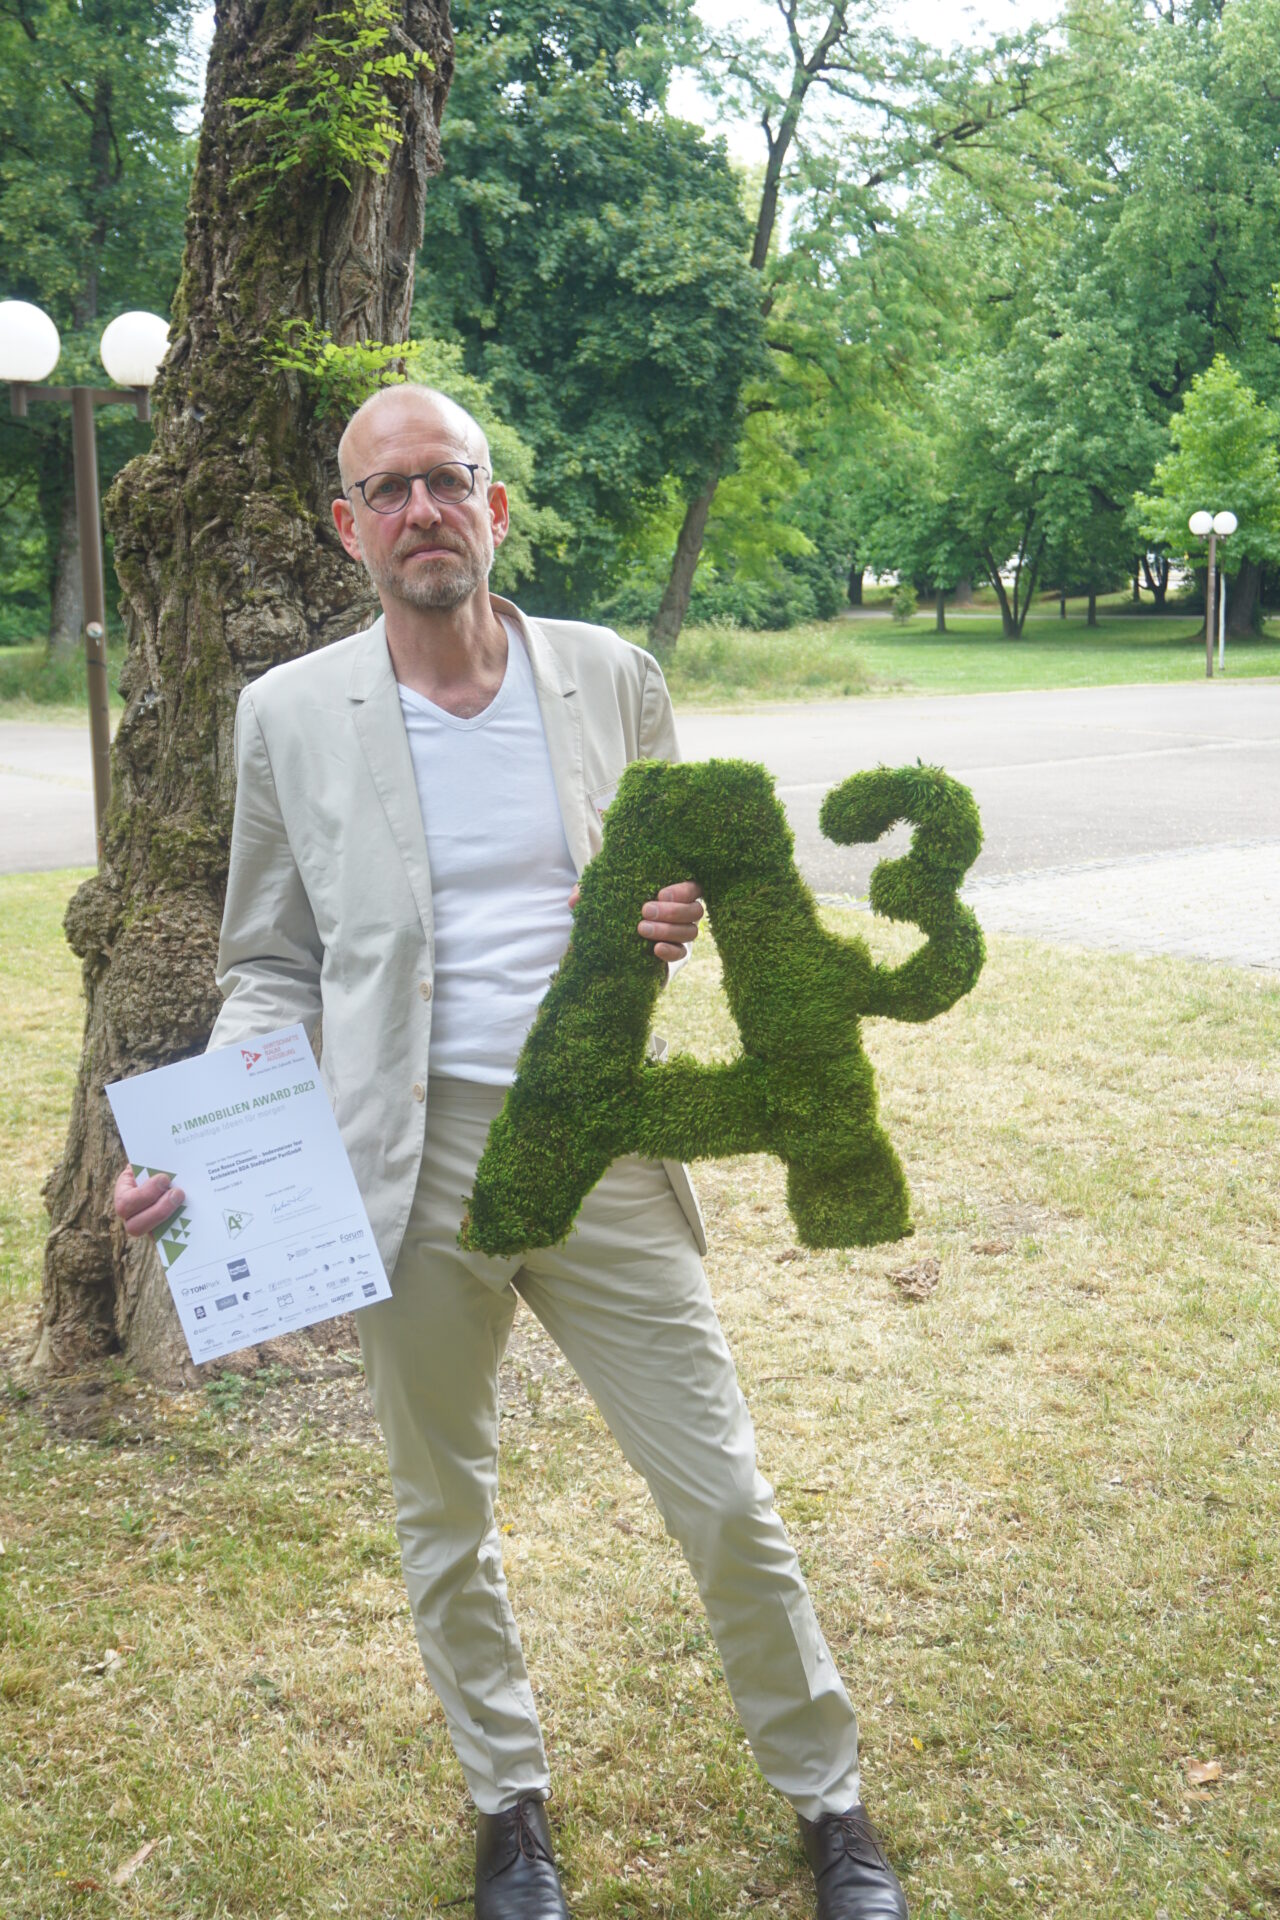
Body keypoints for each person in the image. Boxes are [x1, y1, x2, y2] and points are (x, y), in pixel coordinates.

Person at [114, 385, 907, 1920]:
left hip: (592, 1141)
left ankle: (830, 1801)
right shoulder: (288, 715)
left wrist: (671, 910)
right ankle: (509, 1809)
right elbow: (268, 965)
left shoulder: (612, 678)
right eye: (387, 490)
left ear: (492, 505)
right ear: (349, 528)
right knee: (445, 1516)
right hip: (403, 1167)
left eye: (447, 480)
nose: (422, 509)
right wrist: (203, 1138)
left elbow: (670, 875)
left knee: (724, 1491)